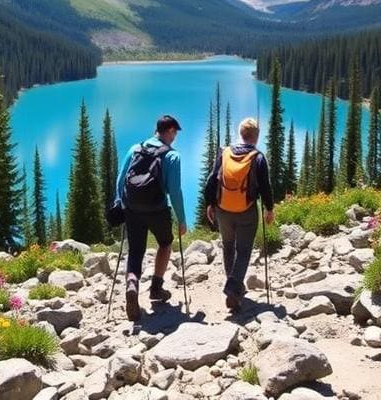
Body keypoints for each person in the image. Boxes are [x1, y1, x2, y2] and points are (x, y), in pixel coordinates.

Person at [115, 114, 188, 321]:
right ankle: (156, 288)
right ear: (171, 131)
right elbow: (175, 191)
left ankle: (132, 284)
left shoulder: (135, 149)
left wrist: (119, 203)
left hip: (132, 209)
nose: (175, 137)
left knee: (136, 251)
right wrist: (181, 219)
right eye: (175, 133)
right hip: (157, 210)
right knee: (165, 243)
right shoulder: (172, 156)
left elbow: (121, 181)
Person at [205, 117, 274, 311]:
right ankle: (233, 288)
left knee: (228, 246)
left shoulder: (224, 153)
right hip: (246, 211)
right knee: (243, 251)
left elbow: (212, 180)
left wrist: (210, 203)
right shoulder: (258, 157)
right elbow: (265, 187)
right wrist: (269, 208)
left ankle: (233, 285)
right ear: (256, 136)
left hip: (223, 210)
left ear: (241, 134)